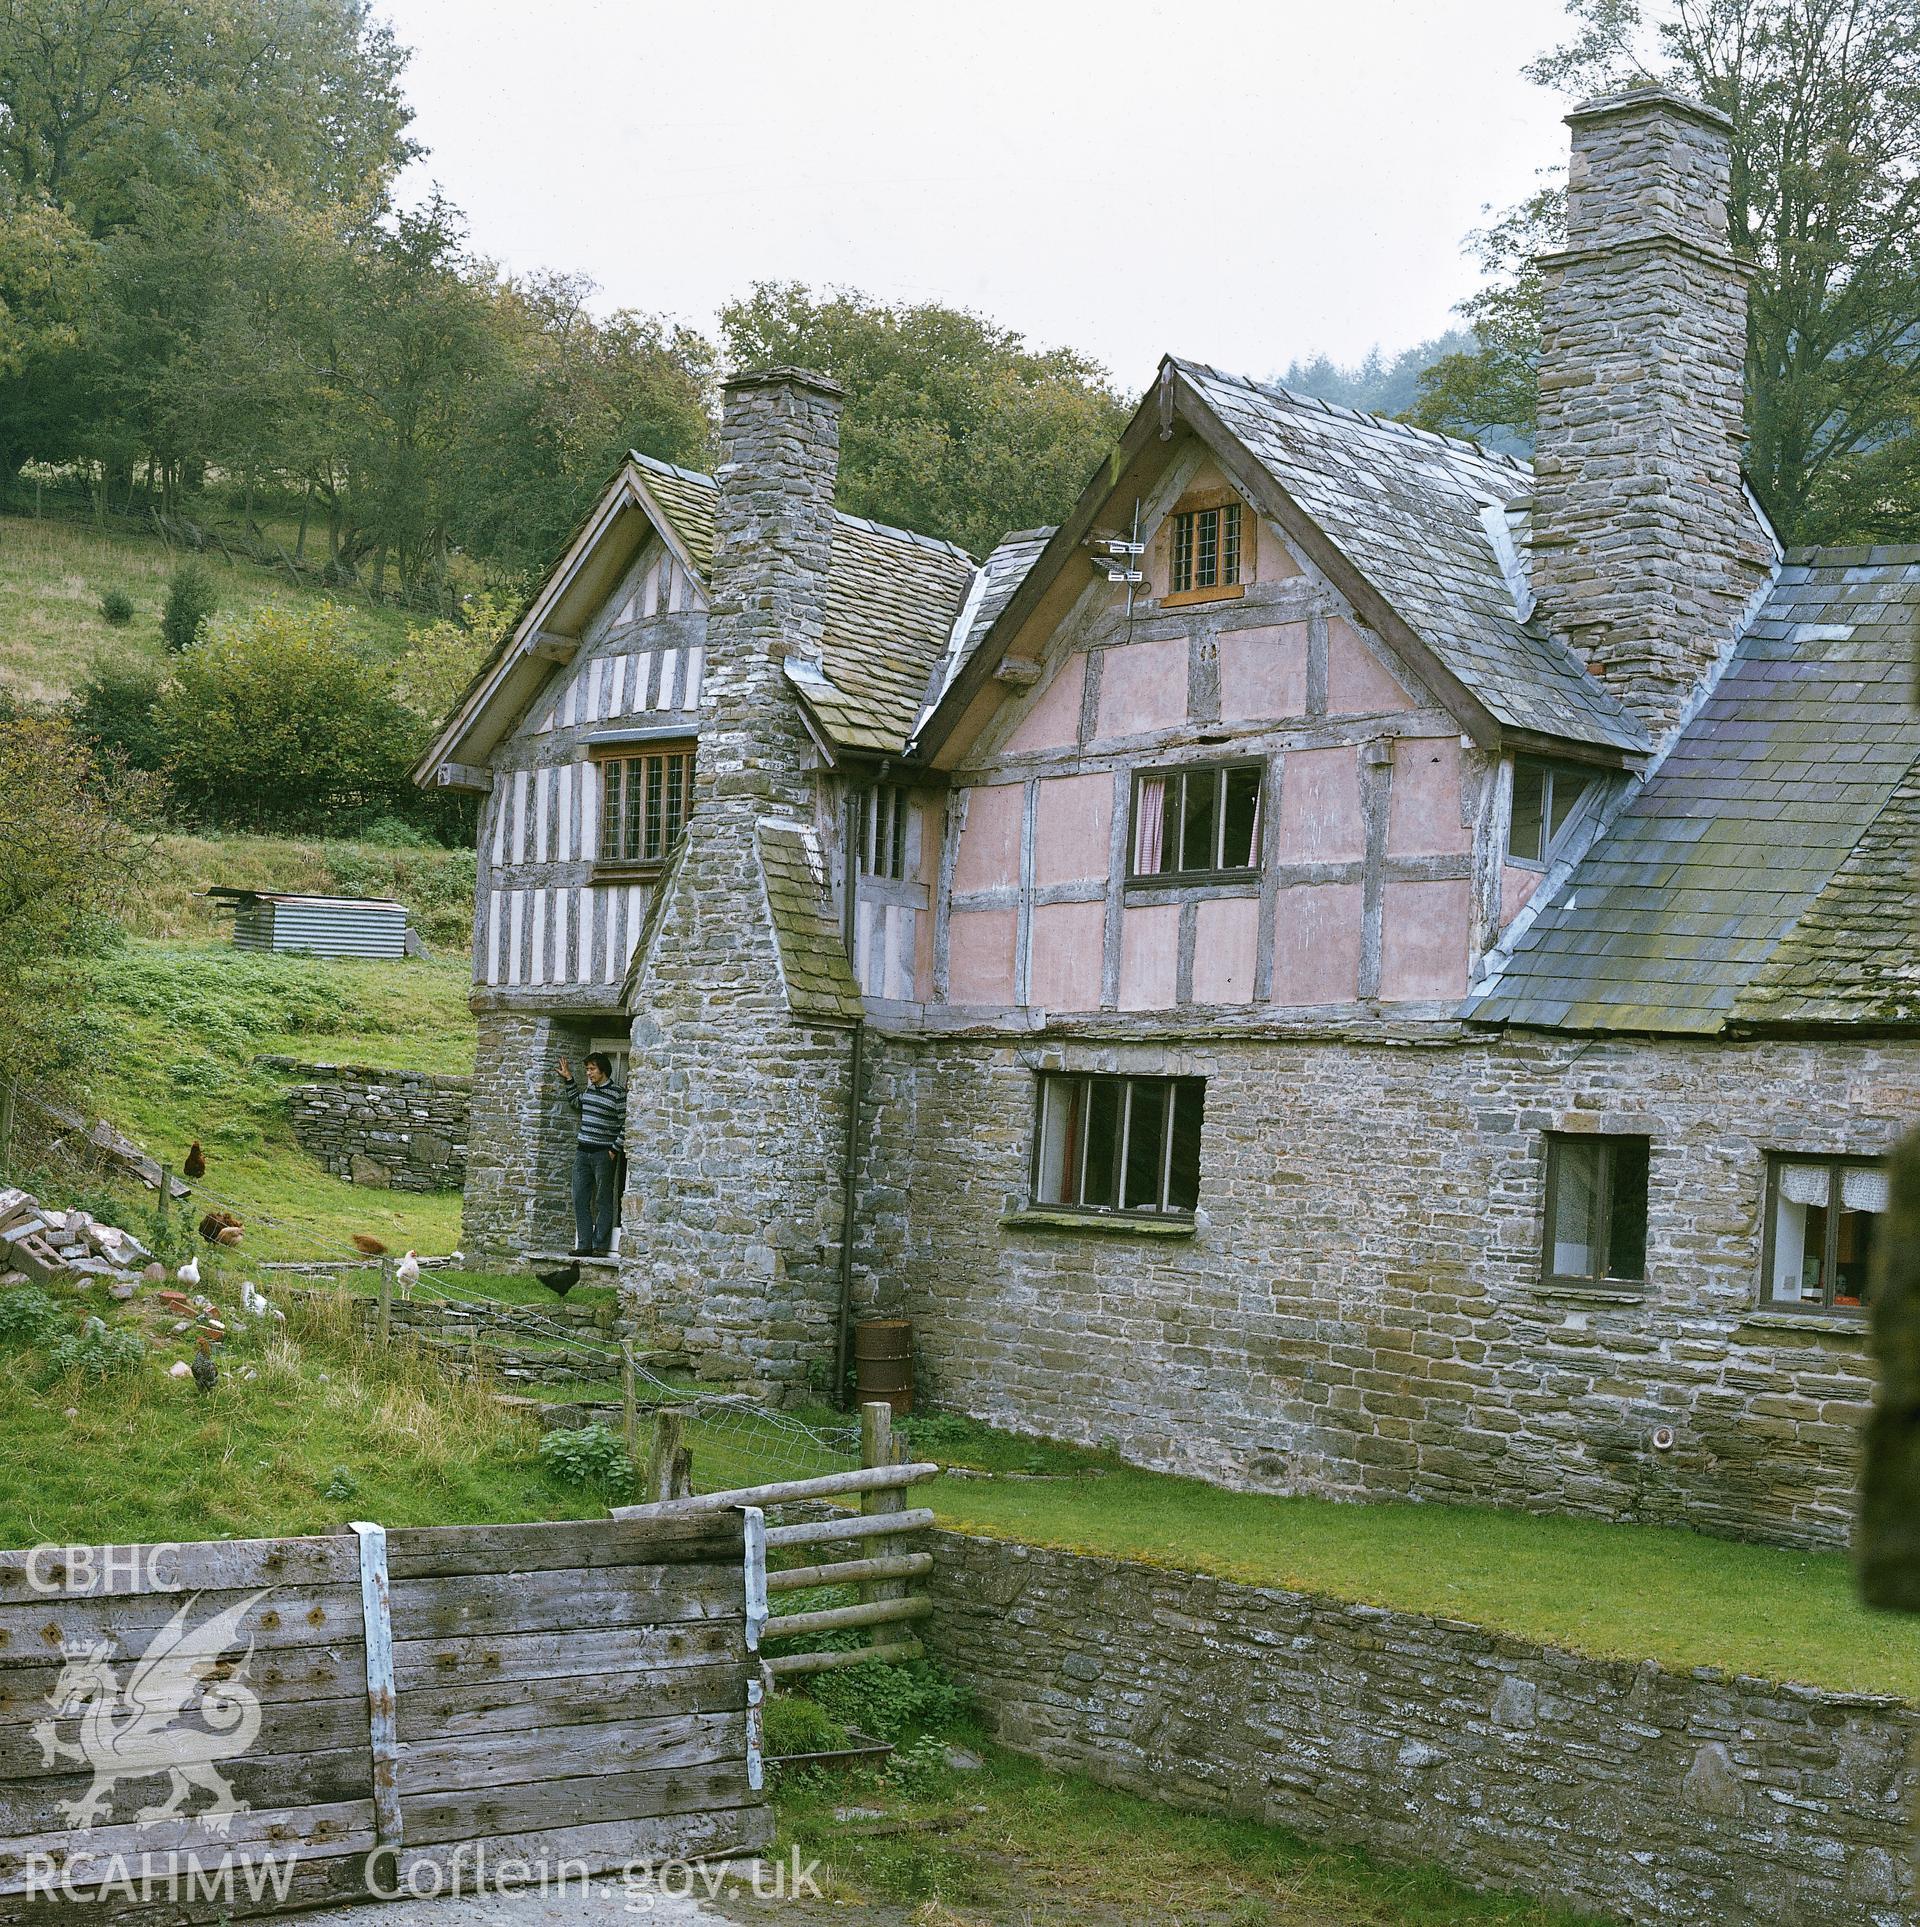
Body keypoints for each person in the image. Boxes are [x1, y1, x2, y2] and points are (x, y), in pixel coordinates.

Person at [555, 1052, 625, 1256]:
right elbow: (577, 1103)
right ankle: (584, 1245)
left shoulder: (617, 1094)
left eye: (592, 1069)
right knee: (579, 1198)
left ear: (603, 1070)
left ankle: (599, 1246)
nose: (589, 1073)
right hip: (582, 1153)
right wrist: (569, 1078)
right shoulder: (590, 1090)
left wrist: (614, 1149)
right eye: (587, 1069)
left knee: (603, 1200)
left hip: (603, 1154)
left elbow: (625, 1124)